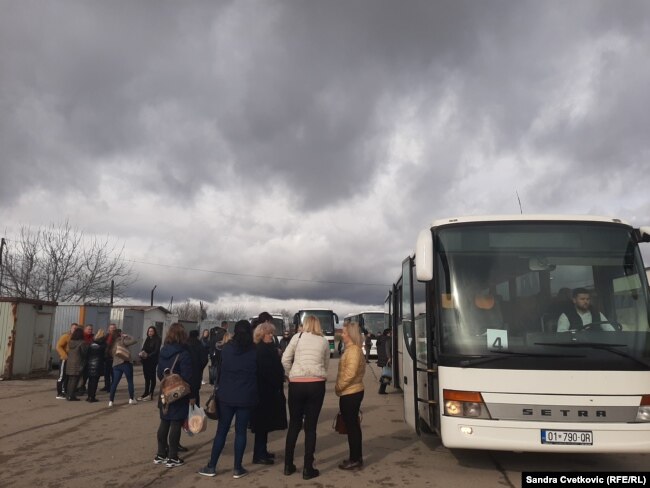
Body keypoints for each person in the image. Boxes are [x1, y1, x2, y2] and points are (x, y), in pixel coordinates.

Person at [199, 320, 257, 479]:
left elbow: (219, 367)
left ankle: (212, 466)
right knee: (241, 432)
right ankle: (237, 468)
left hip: (226, 395)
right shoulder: (254, 351)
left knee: (221, 432)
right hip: (246, 396)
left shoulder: (227, 349)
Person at [280, 315, 330, 480]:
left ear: (305, 324)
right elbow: (326, 362)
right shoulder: (323, 341)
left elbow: (285, 359)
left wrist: (290, 374)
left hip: (297, 384)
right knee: (311, 427)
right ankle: (308, 468)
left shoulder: (297, 337)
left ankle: (288, 464)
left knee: (294, 424)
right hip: (316, 384)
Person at [250, 321, 287, 465]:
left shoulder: (267, 348)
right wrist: (278, 377)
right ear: (261, 335)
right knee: (262, 425)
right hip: (263, 392)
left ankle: (262, 451)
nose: (271, 336)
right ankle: (259, 454)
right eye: (269, 333)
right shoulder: (261, 350)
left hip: (267, 391)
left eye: (272, 333)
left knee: (264, 426)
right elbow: (267, 371)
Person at [335, 321, 366, 470]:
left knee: (352, 427)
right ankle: (356, 457)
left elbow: (350, 373)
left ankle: (355, 458)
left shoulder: (353, 350)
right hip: (352, 391)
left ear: (350, 335)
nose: (342, 334)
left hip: (350, 392)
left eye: (344, 333)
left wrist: (339, 386)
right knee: (353, 426)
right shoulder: (353, 349)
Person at [108, 329, 138, 407]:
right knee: (130, 381)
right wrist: (127, 335)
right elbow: (134, 340)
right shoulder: (122, 341)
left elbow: (111, 354)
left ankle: (111, 401)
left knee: (114, 383)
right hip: (125, 363)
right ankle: (131, 399)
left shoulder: (112, 343)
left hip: (116, 364)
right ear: (119, 334)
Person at [138, 326, 162, 401]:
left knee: (152, 377)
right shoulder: (147, 339)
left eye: (151, 331)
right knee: (146, 377)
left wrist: (148, 355)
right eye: (149, 331)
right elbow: (144, 348)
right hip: (145, 360)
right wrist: (141, 353)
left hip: (152, 360)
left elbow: (156, 350)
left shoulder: (157, 339)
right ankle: (146, 392)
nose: (150, 332)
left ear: (154, 332)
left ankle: (151, 393)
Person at [186, 329, 209, 406]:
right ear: (197, 336)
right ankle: (195, 412)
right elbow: (205, 359)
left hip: (186, 372)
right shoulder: (200, 345)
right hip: (196, 373)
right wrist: (200, 368)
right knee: (195, 393)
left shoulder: (185, 345)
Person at [55, 323, 78, 399]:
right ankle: (59, 393)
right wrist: (64, 356)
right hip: (64, 359)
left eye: (76, 329)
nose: (75, 330)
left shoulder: (76, 338)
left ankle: (65, 391)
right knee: (62, 376)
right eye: (74, 328)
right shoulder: (65, 336)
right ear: (71, 328)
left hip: (72, 360)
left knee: (67, 376)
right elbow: (58, 346)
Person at [65, 328, 88, 401]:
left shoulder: (70, 342)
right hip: (78, 363)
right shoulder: (82, 343)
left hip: (70, 362)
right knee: (75, 380)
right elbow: (84, 353)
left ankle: (68, 394)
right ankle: (71, 396)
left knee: (70, 380)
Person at [85, 328, 107, 402]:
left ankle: (89, 396)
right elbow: (105, 355)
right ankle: (92, 397)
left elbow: (87, 354)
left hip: (90, 363)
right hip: (98, 364)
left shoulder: (91, 343)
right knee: (95, 381)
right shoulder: (103, 345)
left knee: (90, 381)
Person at [376, 328, 392, 395]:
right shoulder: (387, 339)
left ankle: (381, 390)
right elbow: (387, 349)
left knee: (385, 374)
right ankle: (382, 390)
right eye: (391, 332)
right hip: (386, 359)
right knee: (386, 375)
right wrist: (389, 358)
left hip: (381, 359)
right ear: (388, 333)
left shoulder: (380, 338)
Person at [102, 323, 117, 392]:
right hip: (106, 356)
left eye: (114, 328)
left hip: (113, 357)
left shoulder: (117, 336)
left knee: (113, 373)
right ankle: (106, 386)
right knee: (106, 373)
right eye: (111, 328)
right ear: (109, 329)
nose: (112, 329)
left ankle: (112, 387)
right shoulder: (106, 336)